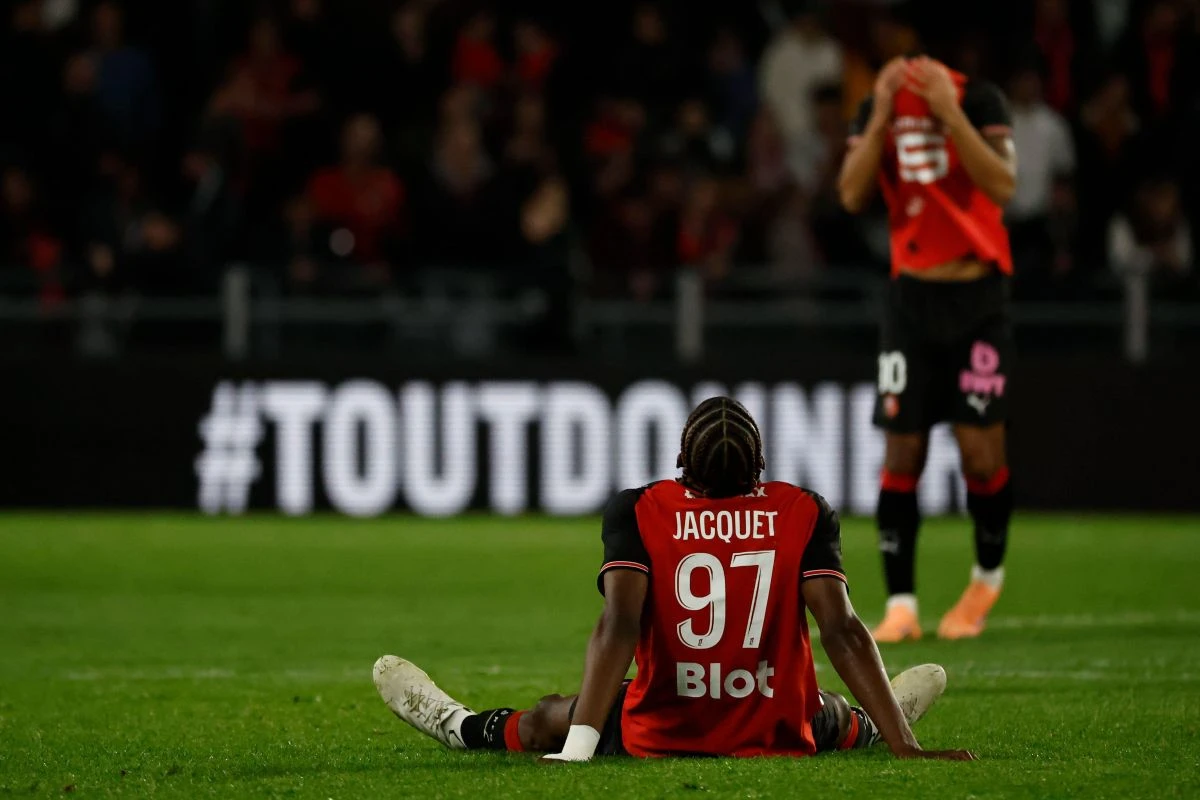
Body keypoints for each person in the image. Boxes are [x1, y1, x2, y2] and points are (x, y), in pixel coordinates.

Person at [373, 397, 975, 762]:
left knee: (549, 716)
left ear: (682, 463)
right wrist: (908, 751)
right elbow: (840, 630)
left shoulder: (642, 509)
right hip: (772, 721)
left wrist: (579, 750)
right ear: (760, 466)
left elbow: (620, 625)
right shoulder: (802, 510)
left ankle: (457, 726)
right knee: (829, 714)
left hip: (663, 724)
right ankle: (879, 726)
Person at [837, 56, 1018, 642]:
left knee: (981, 457)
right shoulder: (880, 104)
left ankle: (985, 579)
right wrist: (885, 110)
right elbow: (850, 193)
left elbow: (1004, 185)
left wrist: (948, 114)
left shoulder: (979, 97)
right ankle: (901, 607)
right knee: (901, 454)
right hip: (910, 304)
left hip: (978, 301)